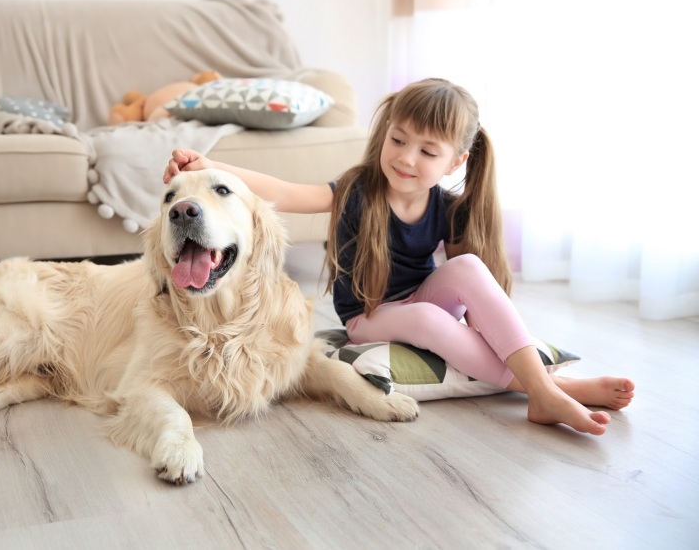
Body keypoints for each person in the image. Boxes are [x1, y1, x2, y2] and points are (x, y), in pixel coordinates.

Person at [163, 77, 634, 436]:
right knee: (428, 317)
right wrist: (211, 167)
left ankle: (542, 390)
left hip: (422, 303)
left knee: (466, 267)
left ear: (454, 163)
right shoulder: (357, 191)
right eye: (399, 140)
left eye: (427, 150)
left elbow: (470, 293)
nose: (406, 158)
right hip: (371, 316)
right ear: (386, 134)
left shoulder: (448, 209)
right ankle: (549, 390)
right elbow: (286, 192)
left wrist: (479, 326)